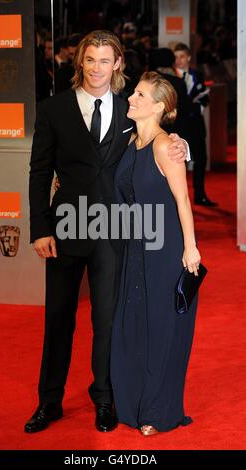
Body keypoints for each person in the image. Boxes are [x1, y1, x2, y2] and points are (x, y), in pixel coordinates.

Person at [26, 30, 188, 434]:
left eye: (105, 60)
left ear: (117, 64)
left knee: (107, 321)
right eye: (90, 59)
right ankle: (49, 401)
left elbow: (160, 143)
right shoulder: (53, 109)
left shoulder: (129, 110)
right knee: (58, 318)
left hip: (114, 232)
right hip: (64, 228)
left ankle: (104, 398)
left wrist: (183, 146)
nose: (97, 68)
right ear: (79, 62)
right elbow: (39, 172)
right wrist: (39, 228)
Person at [111, 72, 201, 435]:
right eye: (134, 92)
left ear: (160, 106)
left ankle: (156, 410)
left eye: (140, 94)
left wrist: (191, 248)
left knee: (162, 330)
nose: (131, 97)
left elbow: (183, 200)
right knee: (133, 327)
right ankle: (132, 402)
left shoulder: (167, 146)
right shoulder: (130, 140)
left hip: (165, 252)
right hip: (134, 248)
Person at [174, 42, 217, 206]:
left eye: (182, 56)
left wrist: (199, 105)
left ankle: (200, 195)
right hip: (179, 126)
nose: (179, 60)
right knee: (179, 162)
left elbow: (204, 97)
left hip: (196, 125)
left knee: (201, 159)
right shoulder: (170, 77)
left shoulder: (197, 74)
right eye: (176, 57)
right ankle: (179, 199)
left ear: (189, 58)